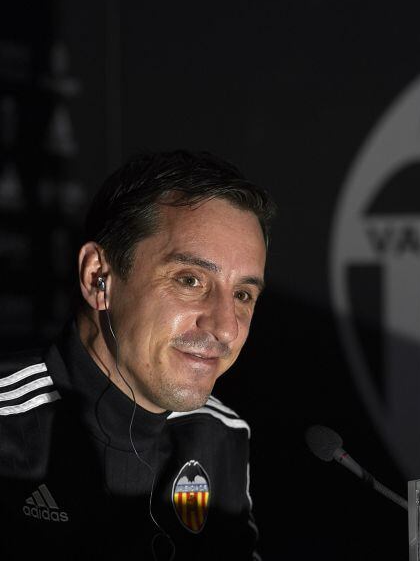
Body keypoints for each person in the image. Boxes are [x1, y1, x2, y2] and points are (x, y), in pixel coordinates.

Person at [0, 150, 275, 560]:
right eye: (190, 279)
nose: (225, 327)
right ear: (99, 278)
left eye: (242, 295)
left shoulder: (220, 433)